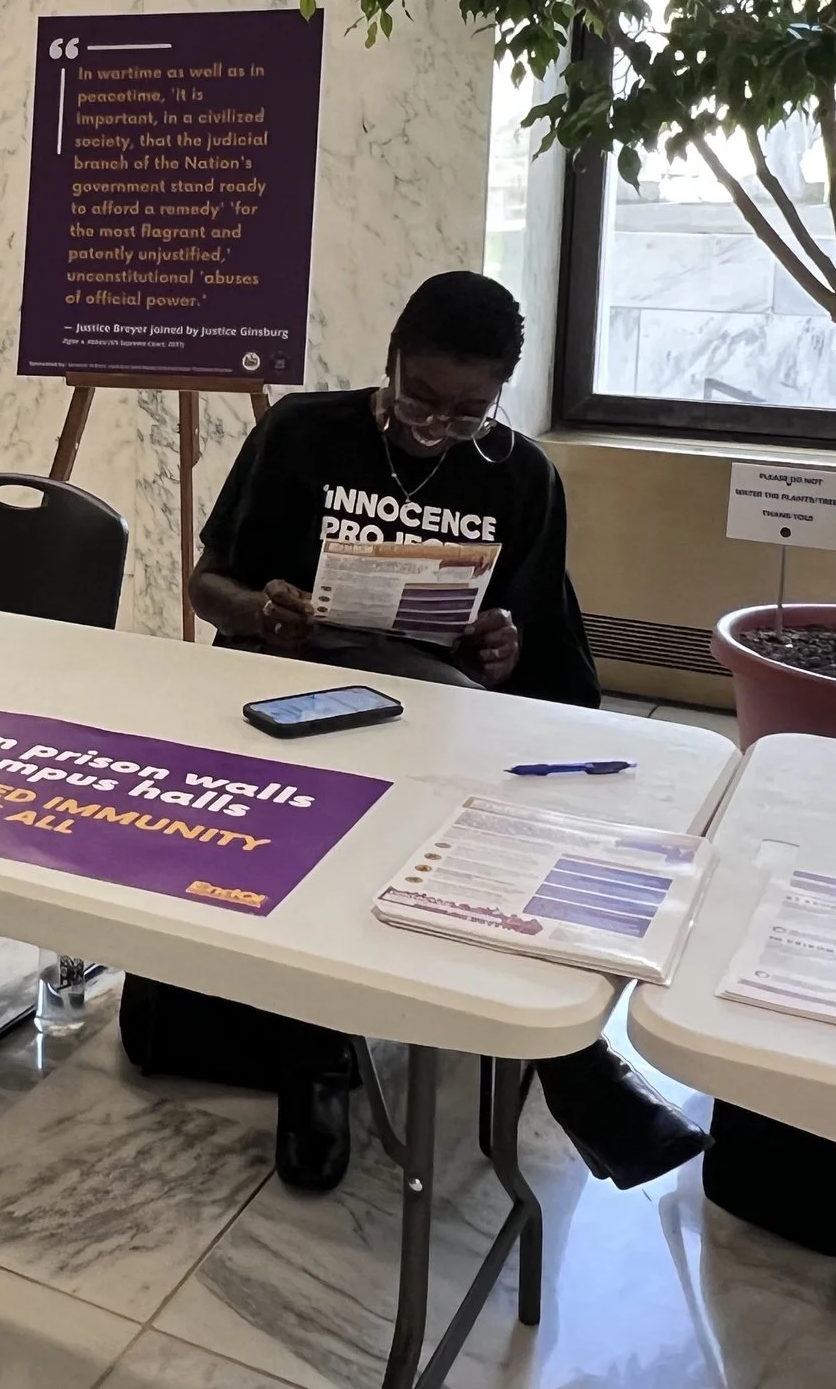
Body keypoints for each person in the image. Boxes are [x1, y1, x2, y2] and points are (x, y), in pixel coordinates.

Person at [118, 269, 710, 1193]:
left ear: (502, 395)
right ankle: (325, 1062)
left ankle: (562, 1050)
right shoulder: (304, 432)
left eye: (468, 412)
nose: (437, 427)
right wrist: (263, 607)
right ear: (387, 361)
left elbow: (555, 663)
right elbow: (208, 584)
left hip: (439, 716)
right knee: (327, 833)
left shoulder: (519, 474)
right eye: (419, 400)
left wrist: (506, 649)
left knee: (499, 827)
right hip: (291, 699)